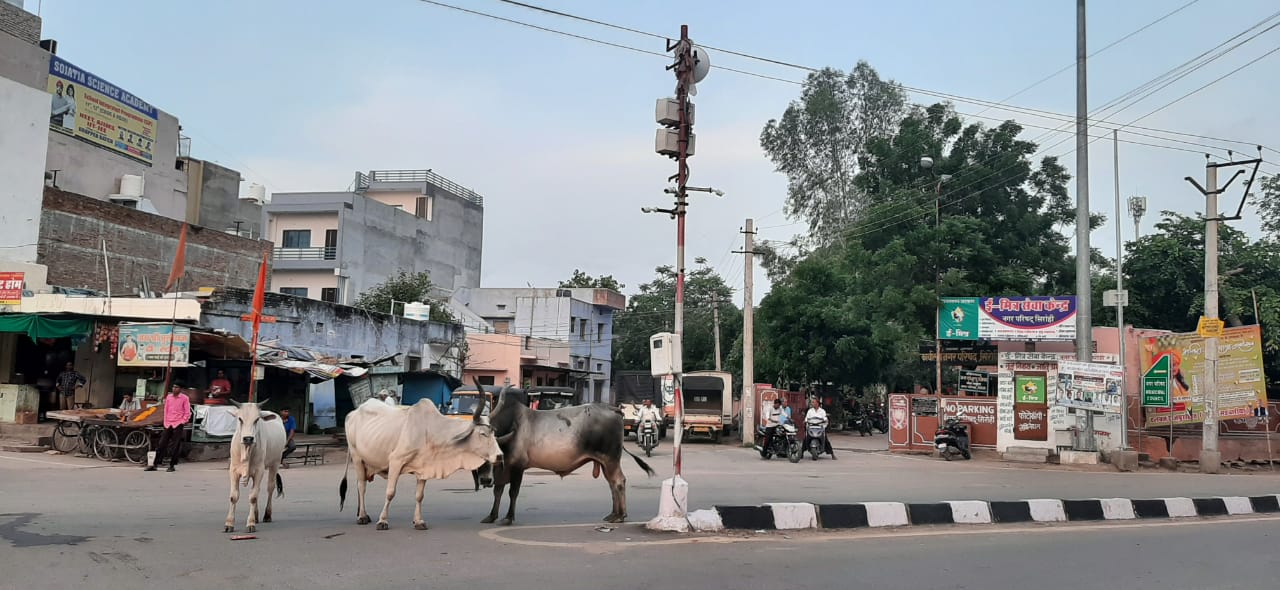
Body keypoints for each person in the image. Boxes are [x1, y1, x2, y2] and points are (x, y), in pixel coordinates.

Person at [145, 382, 191, 472]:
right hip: (168, 422)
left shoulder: (184, 398)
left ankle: (172, 465)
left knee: (175, 445)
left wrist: (183, 421)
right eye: (173, 387)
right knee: (162, 443)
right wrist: (165, 421)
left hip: (178, 423)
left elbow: (187, 412)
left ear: (180, 389)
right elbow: (166, 410)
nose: (174, 389)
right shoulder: (169, 397)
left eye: (176, 387)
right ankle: (155, 464)